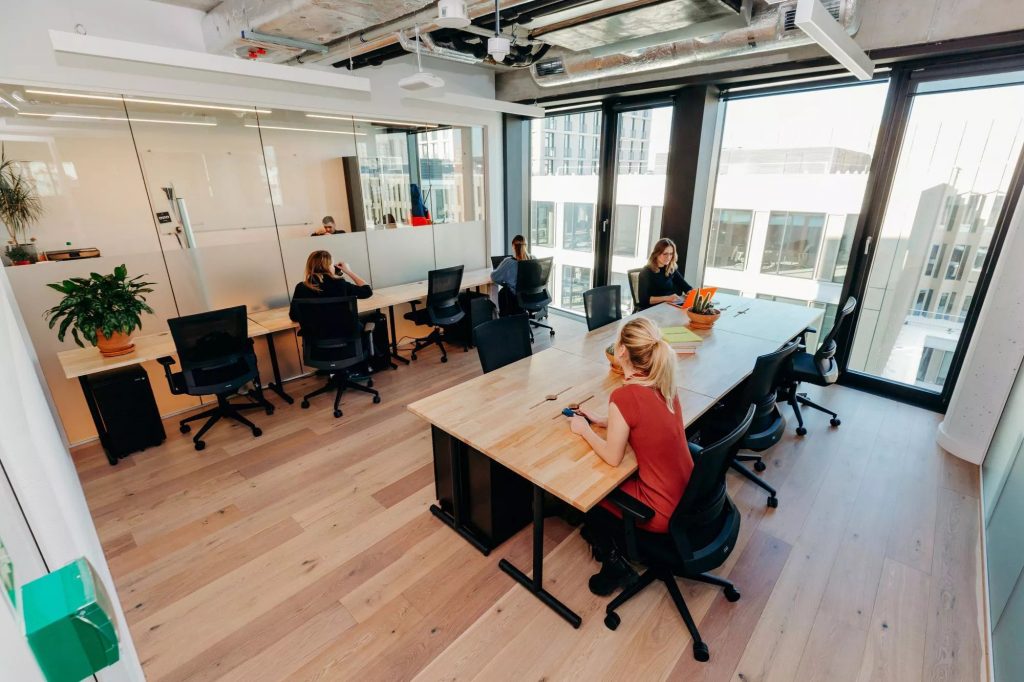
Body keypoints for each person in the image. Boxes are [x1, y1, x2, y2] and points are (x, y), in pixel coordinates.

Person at [566, 317, 694, 596]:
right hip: (689, 495)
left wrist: (584, 429)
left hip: (660, 509)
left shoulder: (625, 397)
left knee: (592, 494)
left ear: (621, 351)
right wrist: (602, 420)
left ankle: (615, 565)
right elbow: (644, 421)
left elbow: (613, 457)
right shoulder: (666, 385)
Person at [289, 250, 372, 323]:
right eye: (332, 265)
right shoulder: (340, 284)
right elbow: (367, 291)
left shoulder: (301, 287)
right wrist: (348, 271)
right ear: (328, 267)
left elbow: (294, 317)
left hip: (315, 339)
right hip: (344, 335)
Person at [637, 238, 692, 310]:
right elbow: (644, 300)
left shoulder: (670, 268)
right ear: (656, 254)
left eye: (671, 254)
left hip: (668, 307)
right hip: (652, 309)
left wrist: (692, 294)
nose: (668, 257)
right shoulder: (646, 272)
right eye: (665, 254)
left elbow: (686, 287)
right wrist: (667, 298)